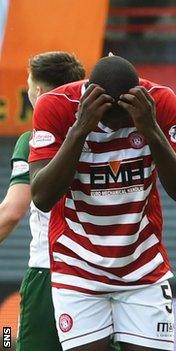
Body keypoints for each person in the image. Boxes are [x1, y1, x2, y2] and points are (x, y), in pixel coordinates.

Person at [28, 55, 176, 351]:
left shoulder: (160, 103)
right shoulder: (55, 106)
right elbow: (42, 197)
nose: (119, 127)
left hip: (143, 270)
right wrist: (81, 128)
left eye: (125, 120)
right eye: (111, 119)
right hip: (77, 270)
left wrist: (151, 130)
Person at [0, 51, 84, 351]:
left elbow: (11, 212)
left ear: (39, 92)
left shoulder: (34, 139)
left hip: (50, 271)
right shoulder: (104, 136)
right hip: (102, 274)